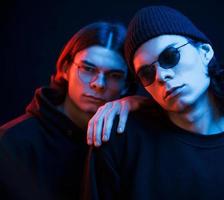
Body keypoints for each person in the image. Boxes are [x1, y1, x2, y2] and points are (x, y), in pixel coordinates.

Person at [91, 6, 224, 199]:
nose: (161, 76)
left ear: (205, 53)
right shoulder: (118, 142)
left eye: (170, 56)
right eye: (147, 73)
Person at [0, 21, 147, 200]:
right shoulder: (12, 142)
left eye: (114, 76)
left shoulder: (129, 140)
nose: (98, 84)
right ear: (65, 69)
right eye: (87, 69)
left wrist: (145, 107)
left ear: (127, 85)